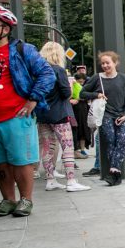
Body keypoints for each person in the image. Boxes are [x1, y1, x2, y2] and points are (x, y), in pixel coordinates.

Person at [0, 6, 55, 217]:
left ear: (5, 29)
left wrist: (33, 99)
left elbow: (47, 74)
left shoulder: (22, 50)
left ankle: (25, 200)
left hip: (15, 116)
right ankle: (8, 200)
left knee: (21, 160)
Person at [37, 41, 90, 193]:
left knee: (47, 147)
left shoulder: (38, 71)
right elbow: (66, 93)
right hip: (59, 113)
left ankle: (50, 180)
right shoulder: (58, 70)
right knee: (67, 146)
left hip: (42, 114)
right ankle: (71, 181)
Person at [79, 51, 125, 186]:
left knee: (123, 140)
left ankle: (114, 172)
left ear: (115, 63)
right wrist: (97, 95)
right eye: (102, 63)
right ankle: (115, 174)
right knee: (110, 141)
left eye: (107, 62)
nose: (105, 65)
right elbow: (82, 93)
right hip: (105, 115)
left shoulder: (124, 79)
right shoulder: (97, 78)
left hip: (121, 115)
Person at [70, 71, 92, 158]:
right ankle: (78, 150)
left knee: (83, 130)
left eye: (82, 82)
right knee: (78, 130)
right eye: (80, 82)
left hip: (83, 110)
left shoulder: (84, 87)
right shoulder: (74, 86)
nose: (81, 83)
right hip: (77, 110)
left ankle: (82, 149)